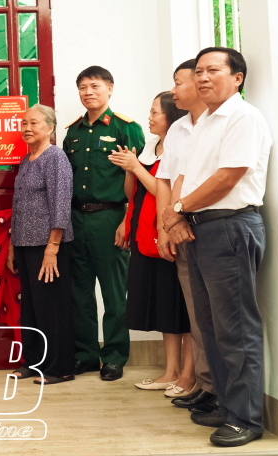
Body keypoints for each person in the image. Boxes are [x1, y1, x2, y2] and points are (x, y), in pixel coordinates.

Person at [162, 47, 272, 447]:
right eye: (199, 71)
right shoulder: (205, 121)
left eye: (213, 70)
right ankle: (226, 406)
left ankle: (246, 418)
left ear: (237, 77)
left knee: (235, 328)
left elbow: (228, 178)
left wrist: (177, 209)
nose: (203, 77)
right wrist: (178, 217)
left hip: (230, 226)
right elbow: (186, 176)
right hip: (200, 229)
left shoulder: (243, 117)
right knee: (209, 327)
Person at [62, 66, 146, 381]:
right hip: (76, 218)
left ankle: (113, 357)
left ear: (110, 88)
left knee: (113, 293)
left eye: (95, 86)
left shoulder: (127, 128)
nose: (88, 92)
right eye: (83, 87)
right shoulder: (73, 132)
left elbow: (139, 179)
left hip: (111, 218)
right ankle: (85, 355)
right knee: (80, 293)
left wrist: (128, 220)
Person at [109, 92, 192, 396]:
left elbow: (162, 190)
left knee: (180, 308)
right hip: (144, 234)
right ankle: (170, 370)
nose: (150, 117)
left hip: (169, 234)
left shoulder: (180, 145)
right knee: (164, 307)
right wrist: (129, 170)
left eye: (155, 112)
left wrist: (137, 168)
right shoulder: (151, 146)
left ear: (171, 115)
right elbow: (134, 192)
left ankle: (187, 374)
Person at [155, 60, 217, 412]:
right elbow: (166, 180)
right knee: (196, 314)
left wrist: (178, 214)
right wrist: (165, 227)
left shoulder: (219, 123)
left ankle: (215, 388)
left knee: (217, 317)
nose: (173, 90)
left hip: (209, 224)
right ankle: (205, 385)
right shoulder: (178, 129)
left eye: (178, 82)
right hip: (179, 230)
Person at [6, 105, 76, 385]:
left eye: (33, 123)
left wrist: (52, 248)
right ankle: (33, 362)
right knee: (32, 306)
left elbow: (61, 204)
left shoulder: (55, 157)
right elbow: (18, 205)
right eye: (24, 123)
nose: (27, 128)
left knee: (52, 307)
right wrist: (12, 246)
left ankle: (60, 368)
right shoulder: (27, 160)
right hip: (25, 243)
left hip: (48, 245)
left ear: (50, 128)